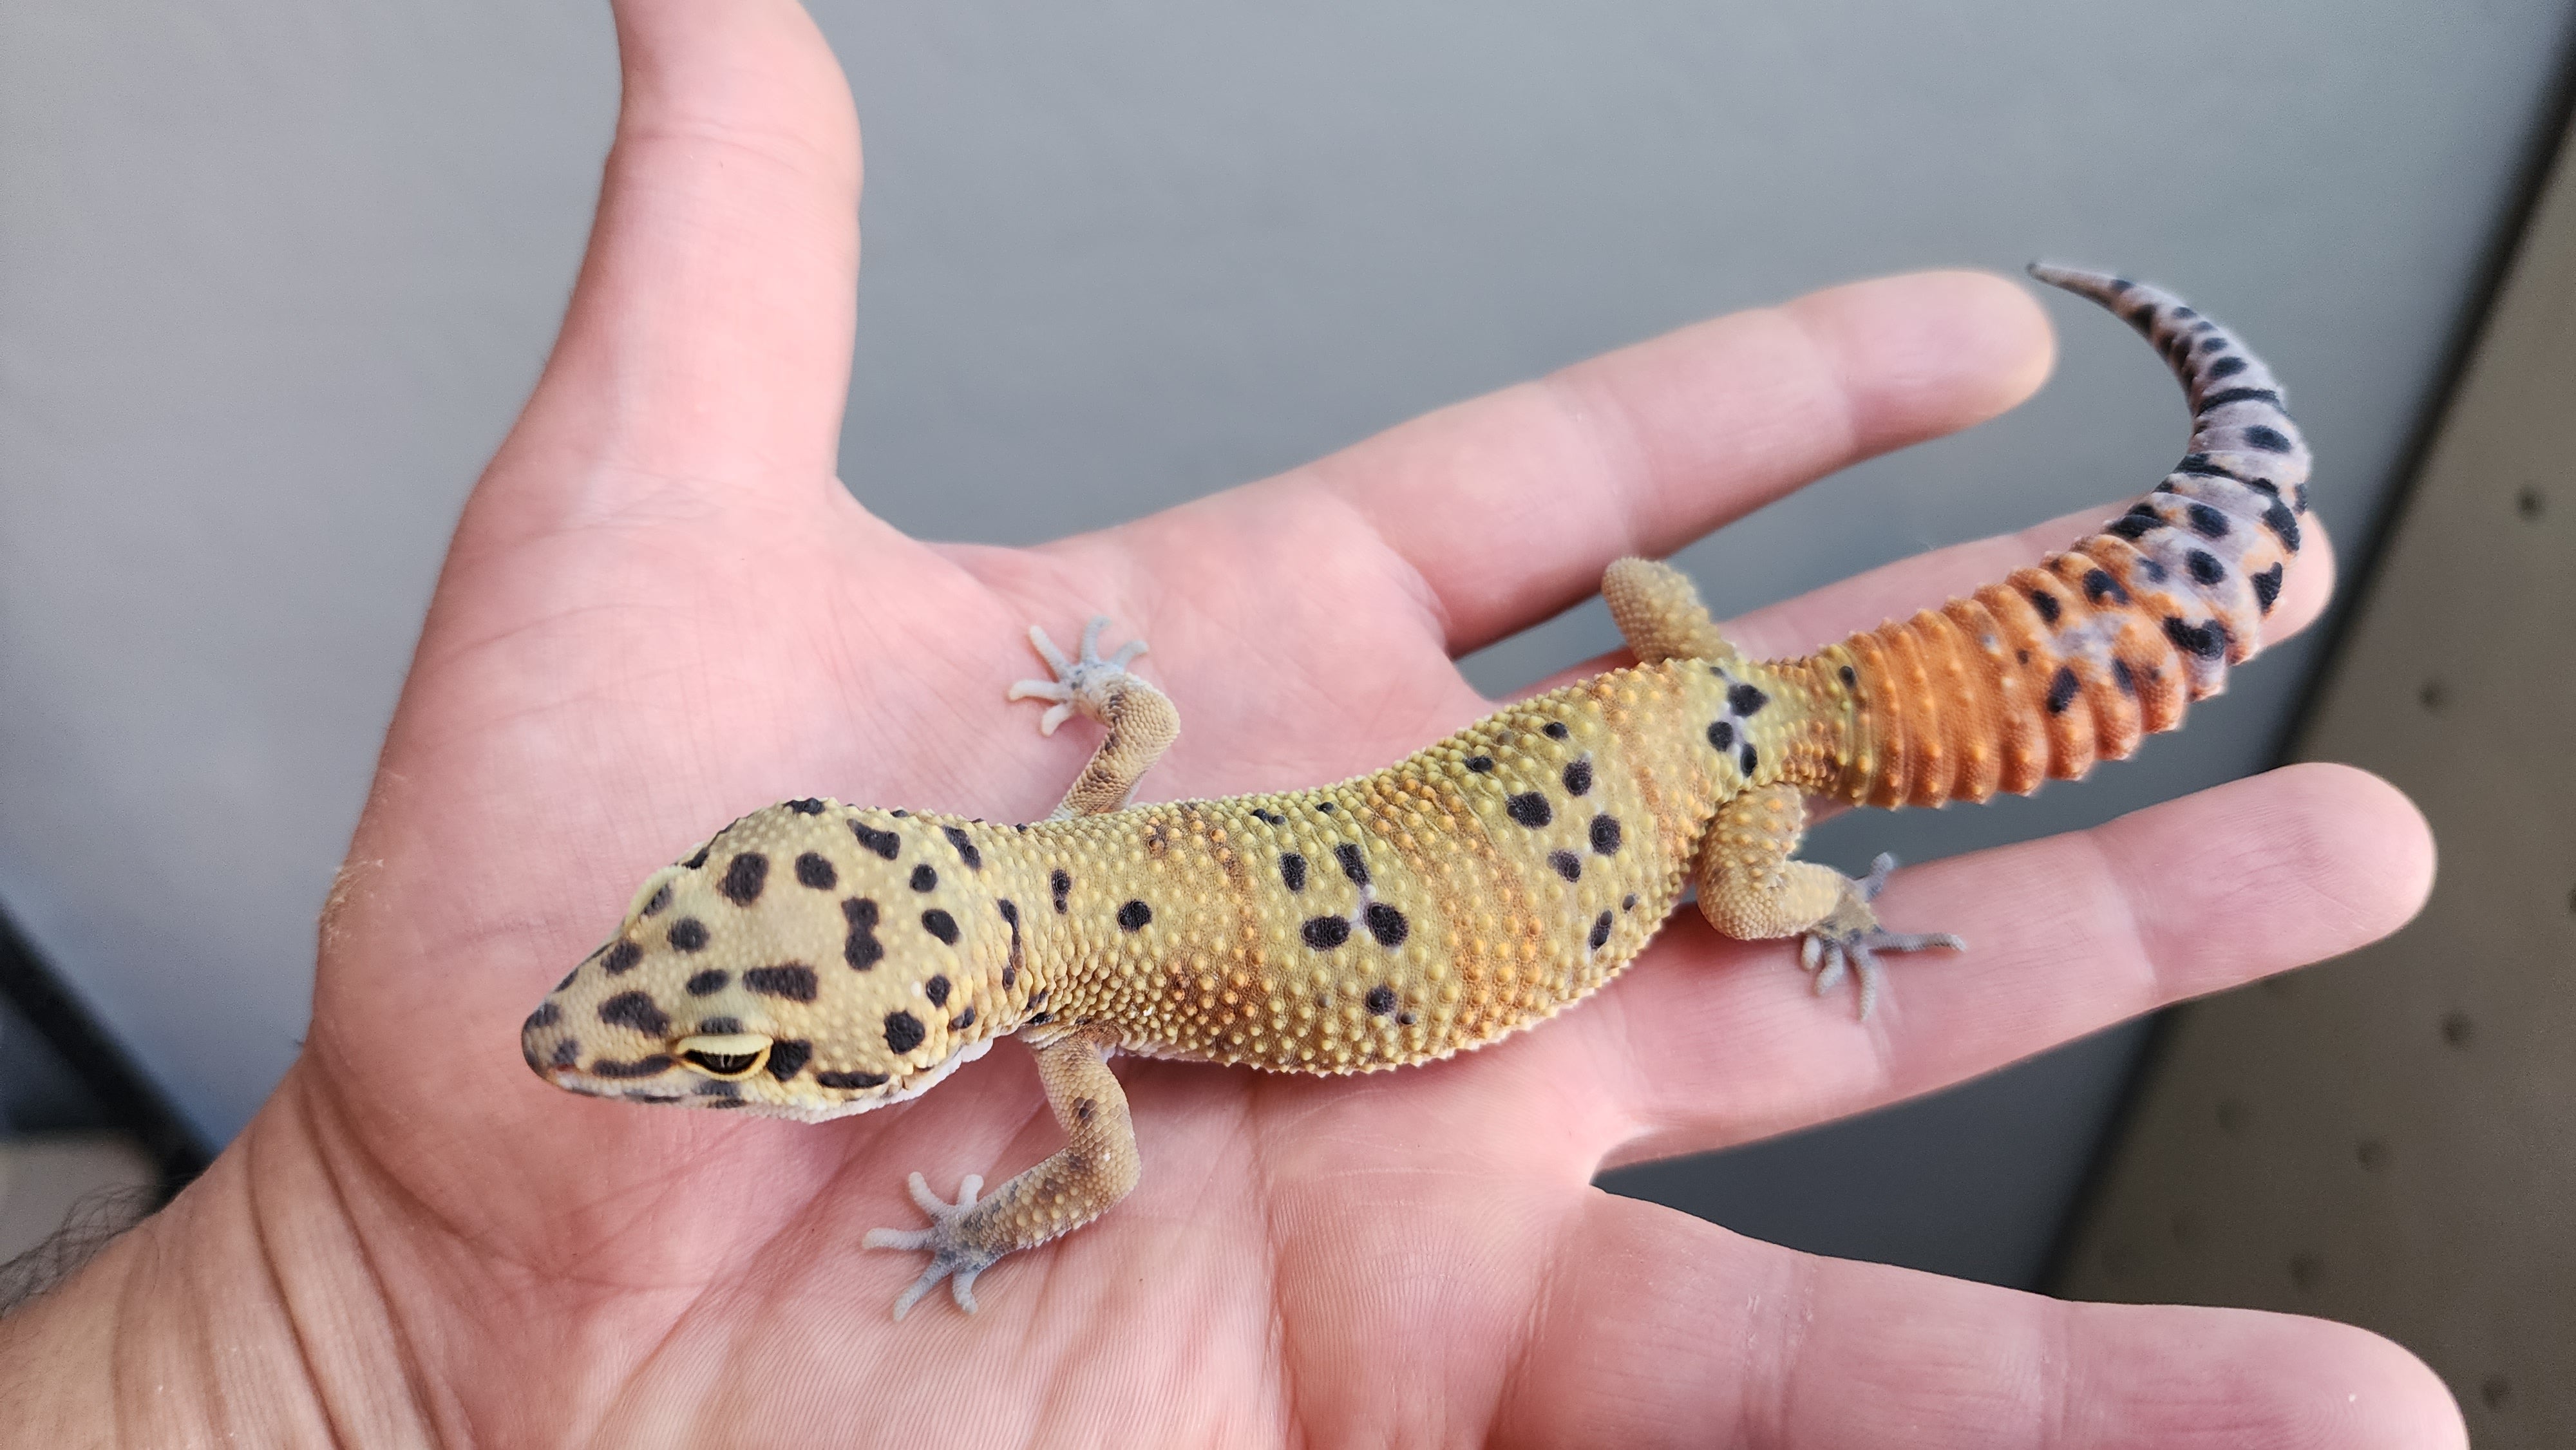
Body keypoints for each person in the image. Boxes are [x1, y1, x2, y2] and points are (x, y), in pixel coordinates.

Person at [0, 1, 2460, 1442]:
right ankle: (2160, 534)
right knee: (1733, 665)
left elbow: (1100, 1171)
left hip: (1736, 798)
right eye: (702, 1006)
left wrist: (977, 1220)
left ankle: (1955, 757)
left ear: (917, 996)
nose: (616, 1026)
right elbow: (1137, 709)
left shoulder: (1069, 1053)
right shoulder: (1080, 869)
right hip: (1675, 689)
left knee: (1786, 873)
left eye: (716, 1029)